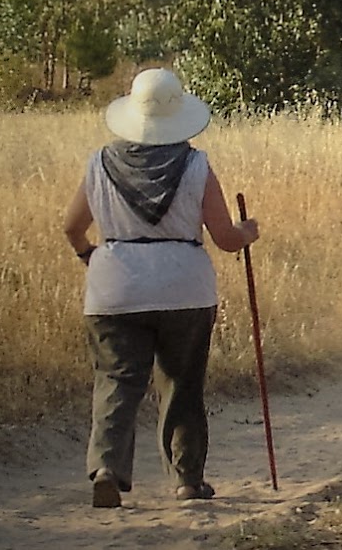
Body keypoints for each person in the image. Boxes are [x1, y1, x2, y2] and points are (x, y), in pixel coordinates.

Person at [62, 67, 260, 509]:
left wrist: (89, 254)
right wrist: (248, 232)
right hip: (183, 288)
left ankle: (107, 468)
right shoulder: (196, 165)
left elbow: (71, 227)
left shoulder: (99, 163)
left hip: (114, 288)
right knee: (181, 383)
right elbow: (225, 238)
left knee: (116, 380)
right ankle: (187, 480)